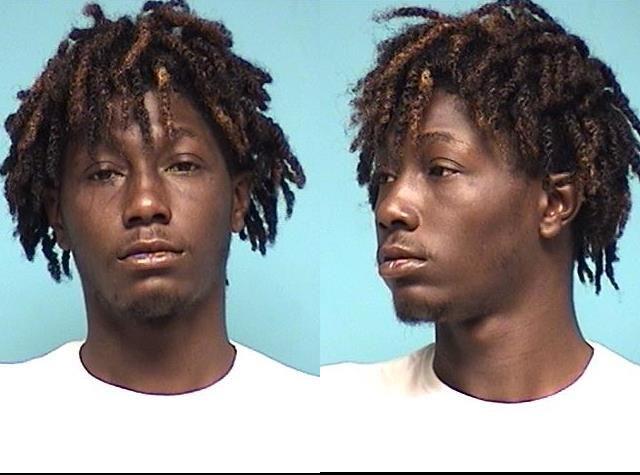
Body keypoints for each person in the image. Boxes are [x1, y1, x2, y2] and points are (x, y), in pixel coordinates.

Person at [322, 0, 640, 470]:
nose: (390, 208)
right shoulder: (329, 418)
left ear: (554, 204)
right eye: (385, 176)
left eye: (440, 169)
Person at [0, 1, 315, 471]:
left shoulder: (319, 425)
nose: (146, 202)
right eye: (104, 173)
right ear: (57, 216)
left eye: (182, 165)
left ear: (238, 200)